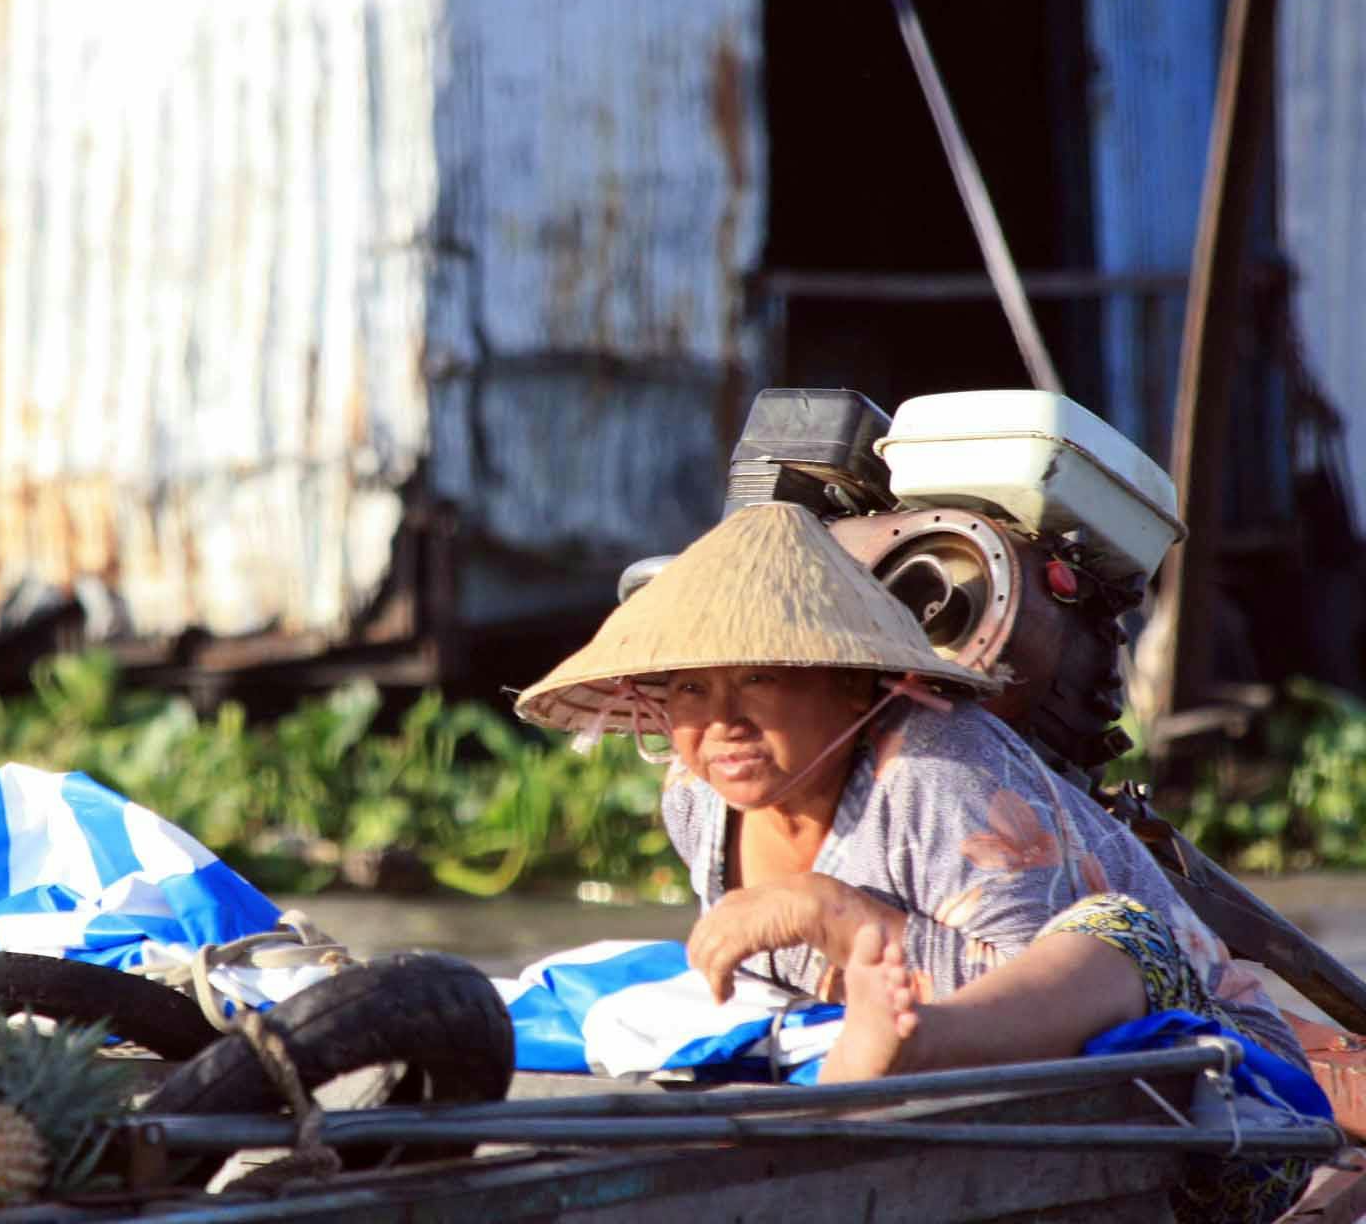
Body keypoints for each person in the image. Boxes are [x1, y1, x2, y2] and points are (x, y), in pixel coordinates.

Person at [516, 501, 1321, 1223]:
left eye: (759, 677)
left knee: (1121, 931)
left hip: (1224, 1111)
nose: (721, 723)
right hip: (934, 1121)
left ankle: (913, 1053)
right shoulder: (695, 797)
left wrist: (846, 920)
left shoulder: (938, 770)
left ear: (851, 684)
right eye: (689, 689)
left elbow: (1055, 1003)